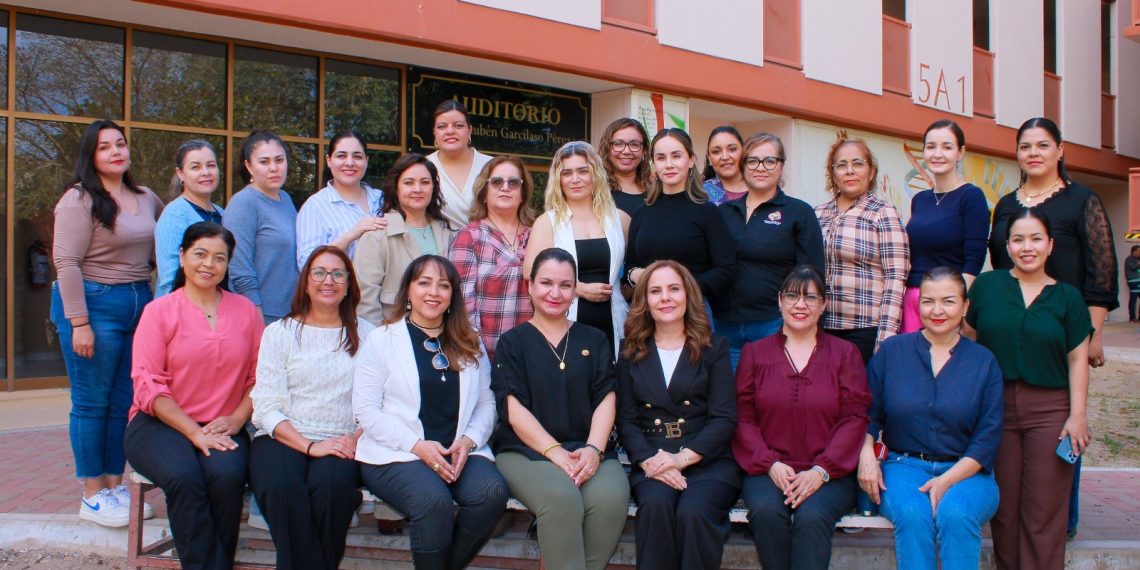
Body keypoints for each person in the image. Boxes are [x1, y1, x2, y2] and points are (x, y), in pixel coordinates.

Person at [987, 117, 1116, 537]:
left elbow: (1101, 272)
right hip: (1015, 328)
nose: (1034, 153)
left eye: (1043, 145)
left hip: (1065, 327)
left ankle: (1065, 521)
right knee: (1011, 425)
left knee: (1064, 423)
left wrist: (1093, 333)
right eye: (1025, 146)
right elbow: (999, 266)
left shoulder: (1081, 200)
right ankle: (1012, 516)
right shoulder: (1007, 204)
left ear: (1060, 150)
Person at [124, 222, 263, 570]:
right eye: (200, 254)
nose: (209, 264)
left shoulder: (246, 311)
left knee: (227, 477)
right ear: (182, 256)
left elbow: (260, 378)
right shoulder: (159, 312)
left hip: (222, 423)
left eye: (220, 257)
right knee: (185, 477)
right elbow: (148, 385)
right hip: (159, 424)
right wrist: (193, 432)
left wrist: (236, 419)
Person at [354, 255, 507, 569]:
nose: (433, 292)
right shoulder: (381, 341)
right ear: (408, 291)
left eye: (443, 285)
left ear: (453, 295)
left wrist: (468, 440)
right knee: (432, 500)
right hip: (396, 453)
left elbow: (486, 403)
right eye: (424, 282)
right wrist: (417, 446)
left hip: (457, 450)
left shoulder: (469, 340)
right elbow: (366, 411)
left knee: (490, 493)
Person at [50, 119, 164, 527]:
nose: (116, 152)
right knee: (91, 401)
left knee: (122, 401)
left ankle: (116, 485)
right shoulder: (78, 200)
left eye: (120, 144)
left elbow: (169, 240)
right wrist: (79, 322)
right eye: (105, 147)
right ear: (91, 156)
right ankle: (92, 493)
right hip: (93, 304)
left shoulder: (146, 197)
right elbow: (66, 263)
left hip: (139, 302)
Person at [965, 208, 1092, 570]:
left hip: (1050, 409)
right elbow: (969, 345)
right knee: (1003, 509)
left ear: (1050, 245)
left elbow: (1077, 360)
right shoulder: (987, 287)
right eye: (1018, 239)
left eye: (1036, 238)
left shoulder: (1068, 298)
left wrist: (1078, 416)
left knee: (1044, 509)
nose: (1027, 247)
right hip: (996, 407)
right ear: (1007, 245)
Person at [492, 248, 630, 570]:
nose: (555, 293)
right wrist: (554, 452)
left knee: (610, 500)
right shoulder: (513, 342)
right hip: (525, 453)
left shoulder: (594, 339)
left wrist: (594, 450)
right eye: (546, 283)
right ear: (530, 286)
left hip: (587, 449)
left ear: (574, 290)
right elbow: (513, 408)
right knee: (561, 498)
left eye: (565, 285)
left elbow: (606, 396)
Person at [858, 267, 1003, 570]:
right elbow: (866, 414)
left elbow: (987, 437)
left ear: (965, 307)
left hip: (967, 471)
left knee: (956, 513)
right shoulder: (892, 352)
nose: (937, 310)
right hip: (904, 467)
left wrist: (946, 480)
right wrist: (866, 456)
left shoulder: (983, 362)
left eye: (948, 301)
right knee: (912, 513)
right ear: (917, 304)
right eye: (928, 301)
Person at [732, 265, 872, 570]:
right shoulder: (754, 354)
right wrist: (770, 464)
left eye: (811, 297)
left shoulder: (845, 354)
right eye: (793, 296)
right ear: (780, 300)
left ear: (823, 305)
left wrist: (821, 470)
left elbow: (854, 418)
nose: (800, 304)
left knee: (812, 517)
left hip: (828, 472)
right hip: (767, 469)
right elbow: (743, 417)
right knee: (767, 513)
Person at [249, 246, 375, 570]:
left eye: (337, 273)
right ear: (306, 282)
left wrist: (356, 437)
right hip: (281, 436)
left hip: (344, 440)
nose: (327, 280)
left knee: (332, 490)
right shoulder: (279, 333)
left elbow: (380, 401)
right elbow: (265, 405)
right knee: (281, 486)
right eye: (319, 272)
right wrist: (309, 446)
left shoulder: (369, 335)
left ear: (349, 284)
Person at [616, 260, 739, 570]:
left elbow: (724, 418)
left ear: (688, 295)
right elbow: (626, 420)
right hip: (653, 458)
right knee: (655, 506)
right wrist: (650, 462)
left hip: (707, 459)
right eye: (655, 291)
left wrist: (681, 459)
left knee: (693, 512)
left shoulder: (715, 348)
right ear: (644, 301)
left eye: (673, 289)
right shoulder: (630, 351)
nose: (665, 298)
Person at [717, 132, 824, 369]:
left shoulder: (799, 212)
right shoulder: (723, 213)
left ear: (781, 166)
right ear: (743, 166)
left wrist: (811, 326)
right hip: (725, 325)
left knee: (772, 397)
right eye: (753, 161)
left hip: (774, 324)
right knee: (732, 399)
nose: (760, 168)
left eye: (769, 161)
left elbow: (812, 274)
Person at [524, 141, 629, 353]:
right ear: (558, 179)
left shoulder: (620, 219)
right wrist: (578, 288)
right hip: (566, 319)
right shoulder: (548, 222)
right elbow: (530, 272)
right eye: (567, 173)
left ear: (596, 175)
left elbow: (629, 270)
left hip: (615, 322)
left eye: (583, 171)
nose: (575, 179)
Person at [814, 131, 909, 364]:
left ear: (871, 171)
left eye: (858, 163)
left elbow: (896, 277)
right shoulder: (817, 214)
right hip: (822, 325)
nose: (850, 170)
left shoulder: (883, 212)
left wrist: (885, 339)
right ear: (833, 173)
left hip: (866, 329)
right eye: (841, 165)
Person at [625, 128, 735, 318]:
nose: (669, 164)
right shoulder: (641, 213)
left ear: (691, 160)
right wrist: (634, 275)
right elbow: (630, 265)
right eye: (660, 158)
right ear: (653, 164)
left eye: (676, 156)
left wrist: (682, 289)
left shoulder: (708, 212)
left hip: (694, 311)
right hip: (648, 313)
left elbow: (726, 269)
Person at [902, 120, 990, 333]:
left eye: (947, 147)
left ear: (960, 153)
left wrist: (956, 305)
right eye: (931, 147)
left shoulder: (971, 196)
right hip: (914, 297)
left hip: (946, 302)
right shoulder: (920, 199)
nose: (937, 153)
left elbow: (974, 261)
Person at [449, 155, 539, 360]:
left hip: (533, 353)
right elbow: (462, 305)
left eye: (514, 182)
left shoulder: (538, 234)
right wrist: (476, 354)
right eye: (497, 182)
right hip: (485, 354)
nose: (505, 187)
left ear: (523, 193)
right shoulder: (470, 236)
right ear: (484, 192)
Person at [354, 153, 455, 326]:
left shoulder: (448, 234)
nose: (418, 189)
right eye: (409, 183)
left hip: (441, 337)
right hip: (393, 340)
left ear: (433, 187)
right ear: (396, 188)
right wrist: (382, 342)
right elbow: (365, 302)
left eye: (425, 182)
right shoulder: (377, 237)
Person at [223, 130, 300, 324]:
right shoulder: (244, 203)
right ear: (249, 166)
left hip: (292, 312)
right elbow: (239, 268)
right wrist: (256, 320)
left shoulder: (286, 199)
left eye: (279, 160)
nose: (274, 168)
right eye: (264, 162)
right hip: (261, 315)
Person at [295, 130, 386, 268]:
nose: (349, 163)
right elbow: (306, 264)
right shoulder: (315, 206)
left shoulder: (382, 198)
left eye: (357, 156)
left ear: (366, 161)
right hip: (342, 288)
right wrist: (350, 236)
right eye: (341, 156)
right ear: (329, 160)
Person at [155, 139, 224, 297]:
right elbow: (169, 281)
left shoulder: (221, 213)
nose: (205, 172)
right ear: (180, 173)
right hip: (181, 313)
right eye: (195, 167)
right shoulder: (175, 215)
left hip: (216, 309)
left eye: (211, 165)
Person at [426, 100, 493, 228]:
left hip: (486, 244)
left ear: (470, 130)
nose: (450, 131)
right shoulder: (422, 166)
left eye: (458, 125)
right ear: (434, 132)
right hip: (438, 246)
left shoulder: (492, 166)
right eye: (442, 126)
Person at [598, 118, 653, 216]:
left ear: (644, 150)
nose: (626, 151)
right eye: (618, 144)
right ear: (607, 148)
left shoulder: (656, 190)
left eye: (634, 144)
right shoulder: (595, 189)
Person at [701, 126, 747, 205]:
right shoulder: (700, 193)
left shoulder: (761, 188)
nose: (725, 157)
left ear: (744, 151)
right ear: (709, 157)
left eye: (732, 149)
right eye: (716, 152)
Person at [1127, 246, 1140, 322]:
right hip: (1133, 282)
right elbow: (1133, 267)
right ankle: (1132, 317)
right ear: (1133, 251)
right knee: (1133, 300)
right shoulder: (1129, 259)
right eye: (1139, 251)